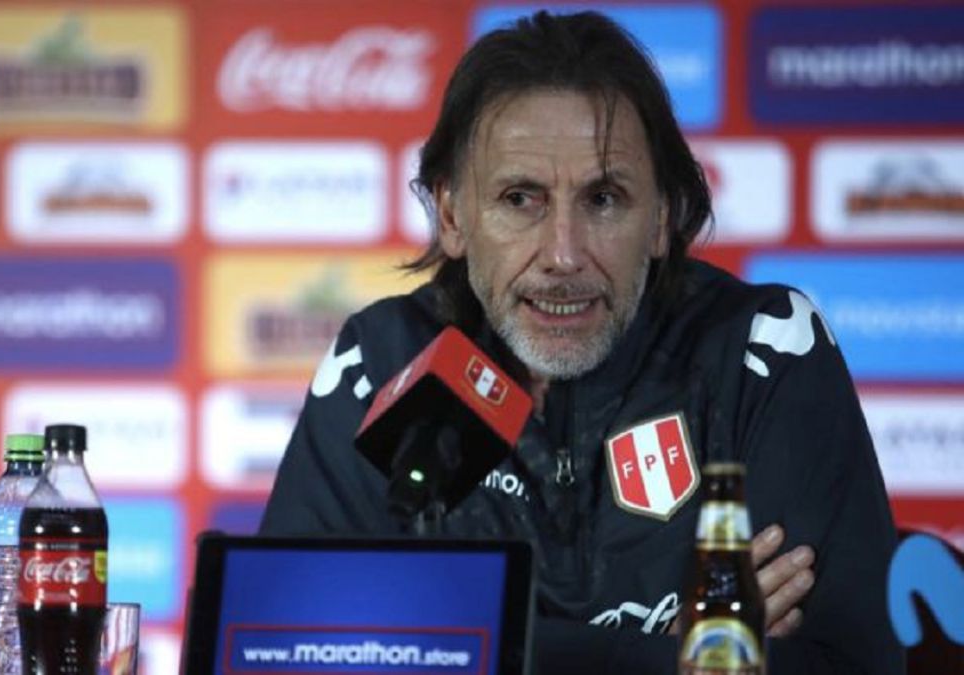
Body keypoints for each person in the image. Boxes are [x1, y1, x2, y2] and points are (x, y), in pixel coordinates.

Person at [260, 10, 903, 674]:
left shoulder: (762, 351)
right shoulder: (381, 361)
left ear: (661, 216)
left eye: (602, 199)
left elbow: (848, 663)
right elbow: (284, 648)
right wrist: (674, 654)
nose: (563, 254)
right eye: (520, 198)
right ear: (452, 214)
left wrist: (454, 642)